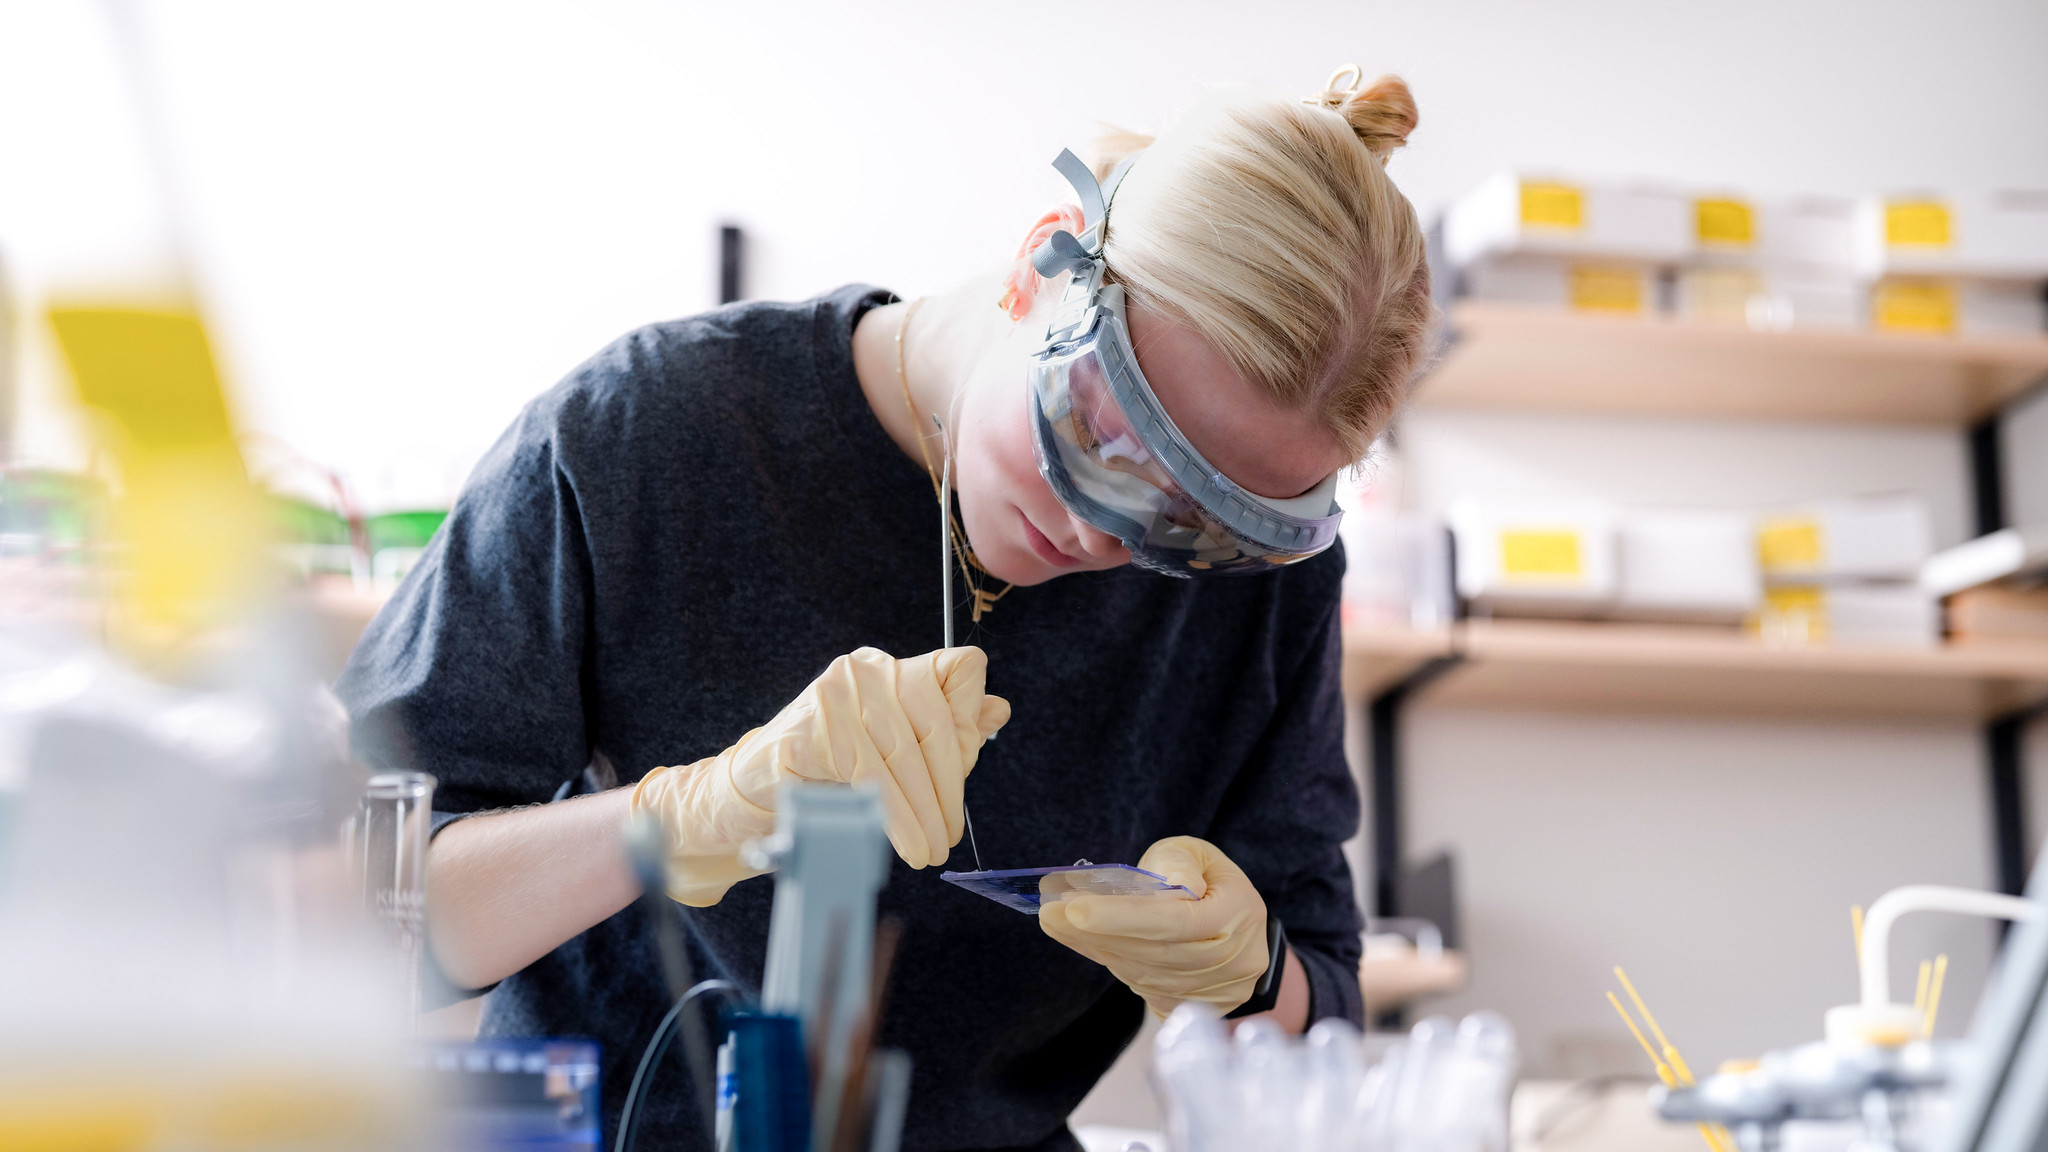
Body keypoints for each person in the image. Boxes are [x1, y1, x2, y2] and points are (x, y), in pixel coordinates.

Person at [337, 64, 1431, 1152]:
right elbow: (344, 924)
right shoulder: (648, 436)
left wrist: (1254, 980)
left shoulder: (1259, 602)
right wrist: (672, 821)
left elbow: (1316, 1010)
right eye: (1102, 437)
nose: (1115, 535)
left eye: (1206, 526)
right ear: (1038, 265)